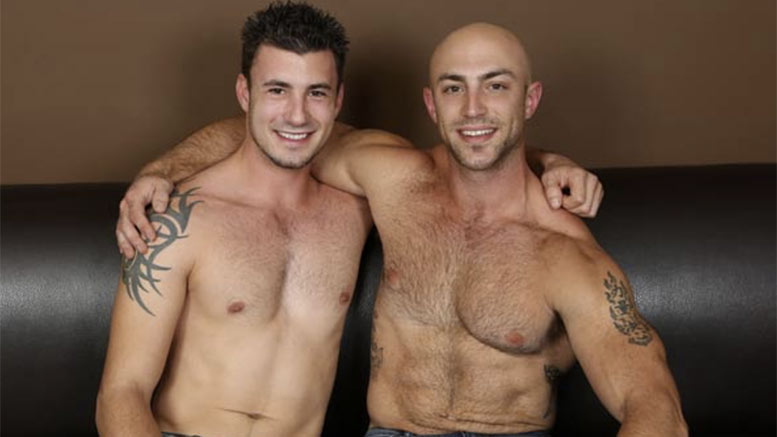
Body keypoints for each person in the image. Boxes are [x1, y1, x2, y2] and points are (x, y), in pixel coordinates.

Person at [98, 3, 603, 437]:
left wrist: (547, 161)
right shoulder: (178, 220)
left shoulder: (359, 202)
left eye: (316, 93)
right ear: (245, 93)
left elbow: (472, 152)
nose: (297, 114)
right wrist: (161, 169)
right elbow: (121, 394)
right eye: (277, 90)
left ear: (337, 102)